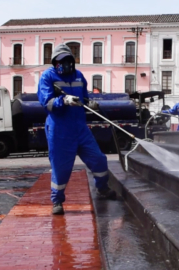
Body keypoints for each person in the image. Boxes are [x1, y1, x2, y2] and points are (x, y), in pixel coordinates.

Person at [37, 43, 116, 215]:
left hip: (80, 128)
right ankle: (57, 201)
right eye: (60, 61)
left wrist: (90, 104)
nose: (64, 63)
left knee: (99, 159)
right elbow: (46, 103)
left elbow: (84, 99)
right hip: (59, 130)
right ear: (54, 62)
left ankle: (102, 189)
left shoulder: (79, 76)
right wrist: (63, 101)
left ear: (72, 61)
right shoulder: (47, 77)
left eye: (67, 60)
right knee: (60, 168)